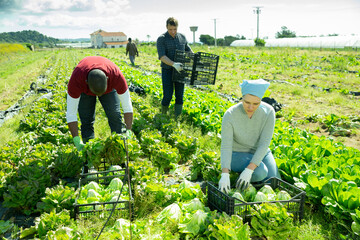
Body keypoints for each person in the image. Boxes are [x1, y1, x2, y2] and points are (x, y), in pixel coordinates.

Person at [218, 79, 281, 193]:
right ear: (242, 98)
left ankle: (248, 180)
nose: (251, 107)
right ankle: (235, 185)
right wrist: (225, 173)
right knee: (261, 172)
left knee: (274, 182)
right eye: (247, 102)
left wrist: (249, 170)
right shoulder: (231, 114)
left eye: (256, 104)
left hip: (260, 151)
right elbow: (226, 146)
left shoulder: (268, 112)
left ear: (261, 101)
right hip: (237, 153)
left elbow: (264, 143)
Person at [66, 56, 133, 151]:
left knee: (114, 114)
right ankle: (89, 150)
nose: (99, 95)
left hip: (108, 86)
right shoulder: (76, 81)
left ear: (107, 78)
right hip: (85, 90)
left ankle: (119, 147)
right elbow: (71, 113)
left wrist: (129, 130)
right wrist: (76, 139)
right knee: (86, 119)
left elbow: (127, 107)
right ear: (86, 82)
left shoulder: (116, 76)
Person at [156, 17, 192, 117]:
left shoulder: (182, 37)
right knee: (167, 95)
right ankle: (163, 115)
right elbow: (162, 56)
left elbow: (188, 50)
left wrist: (194, 57)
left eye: (175, 29)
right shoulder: (162, 39)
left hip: (180, 70)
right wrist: (173, 64)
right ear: (166, 27)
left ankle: (177, 117)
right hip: (167, 70)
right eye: (170, 29)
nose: (173, 31)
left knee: (179, 96)